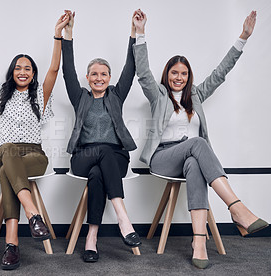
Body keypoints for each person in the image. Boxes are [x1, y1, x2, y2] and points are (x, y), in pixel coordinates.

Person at [132, 9, 268, 269]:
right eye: (174, 72)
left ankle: (199, 242)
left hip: (191, 158)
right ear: (167, 74)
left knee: (195, 164)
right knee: (198, 143)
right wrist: (140, 33)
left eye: (183, 73)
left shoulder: (195, 95)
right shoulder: (157, 94)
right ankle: (236, 207)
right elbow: (142, 72)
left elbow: (220, 73)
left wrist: (243, 37)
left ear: (188, 76)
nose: (179, 77)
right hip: (163, 157)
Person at [0, 9, 69, 270]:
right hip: (4, 155)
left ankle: (12, 246)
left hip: (34, 155)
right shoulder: (1, 94)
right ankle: (33, 215)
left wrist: (58, 34)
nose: (22, 71)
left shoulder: (40, 96)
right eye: (18, 68)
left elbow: (55, 67)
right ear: (12, 72)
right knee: (8, 154)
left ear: (33, 74)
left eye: (27, 68)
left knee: (9, 175)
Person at [62, 10, 141, 263]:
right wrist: (69, 33)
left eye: (103, 74)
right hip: (83, 156)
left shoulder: (117, 96)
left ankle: (91, 239)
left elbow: (131, 66)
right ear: (88, 78)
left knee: (98, 175)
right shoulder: (80, 97)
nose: (99, 78)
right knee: (100, 154)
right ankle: (123, 217)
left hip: (115, 158)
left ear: (109, 78)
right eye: (94, 74)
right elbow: (67, 70)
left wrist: (135, 32)